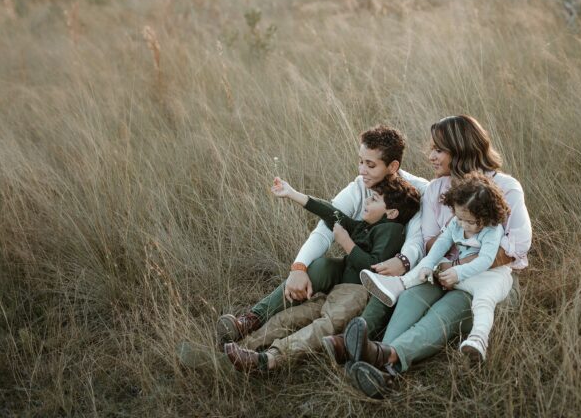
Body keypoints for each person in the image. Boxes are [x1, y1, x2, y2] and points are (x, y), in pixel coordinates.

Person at [322, 115, 532, 398]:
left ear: (461, 150)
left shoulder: (506, 187)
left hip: (487, 281)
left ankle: (389, 363)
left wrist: (458, 268)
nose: (430, 156)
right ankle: (374, 354)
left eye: (438, 150)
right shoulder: (436, 189)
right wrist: (442, 268)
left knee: (444, 311)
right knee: (412, 296)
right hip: (441, 268)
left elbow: (514, 247)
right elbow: (431, 239)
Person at [216, 125, 428, 350]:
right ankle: (250, 322)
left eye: (371, 164)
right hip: (351, 271)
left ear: (393, 166)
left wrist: (404, 259)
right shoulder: (359, 187)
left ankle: (284, 353)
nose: (362, 170)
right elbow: (328, 222)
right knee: (320, 266)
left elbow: (418, 238)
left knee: (328, 319)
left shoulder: (415, 191)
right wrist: (299, 267)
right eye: (360, 161)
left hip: (386, 279)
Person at [221, 173, 420, 373]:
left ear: (392, 213)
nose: (367, 201)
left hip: (357, 295)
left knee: (323, 327)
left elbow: (374, 266)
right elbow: (332, 213)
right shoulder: (365, 226)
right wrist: (293, 194)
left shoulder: (391, 231)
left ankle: (270, 359)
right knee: (289, 318)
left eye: (374, 199)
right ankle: (245, 348)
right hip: (336, 291)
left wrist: (346, 243)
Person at [361, 171, 511, 359]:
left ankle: (478, 338)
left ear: (487, 215)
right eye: (460, 219)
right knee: (430, 263)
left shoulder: (491, 229)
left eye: (471, 222)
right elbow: (441, 243)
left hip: (485, 277)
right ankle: (401, 284)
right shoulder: (458, 222)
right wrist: (428, 264)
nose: (464, 226)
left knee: (483, 300)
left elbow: (485, 260)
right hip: (457, 271)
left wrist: (457, 271)